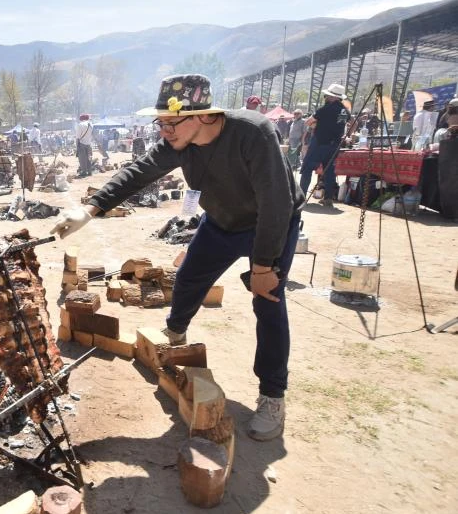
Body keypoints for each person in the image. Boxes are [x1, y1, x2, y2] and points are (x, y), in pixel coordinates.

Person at [51, 73, 304, 441]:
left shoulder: (254, 132)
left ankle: (272, 395)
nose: (164, 130)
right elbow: (138, 172)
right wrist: (90, 209)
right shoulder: (179, 142)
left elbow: (276, 203)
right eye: (161, 122)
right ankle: (175, 332)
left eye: (171, 122)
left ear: (203, 115)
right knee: (188, 280)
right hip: (220, 220)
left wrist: (264, 266)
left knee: (267, 302)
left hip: (271, 224)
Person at [300, 83, 349, 206]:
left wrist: (315, 124)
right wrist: (345, 136)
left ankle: (301, 197)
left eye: (327, 96)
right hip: (335, 144)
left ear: (333, 97)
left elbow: (308, 121)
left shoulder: (325, 109)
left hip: (320, 143)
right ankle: (328, 198)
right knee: (329, 171)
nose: (325, 97)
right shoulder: (345, 110)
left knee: (307, 168)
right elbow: (354, 123)